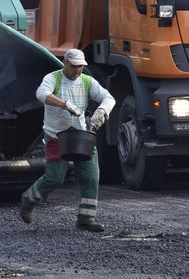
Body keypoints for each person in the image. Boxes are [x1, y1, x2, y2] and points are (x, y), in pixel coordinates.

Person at [19, 49, 116, 233]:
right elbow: (41, 94)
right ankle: (29, 199)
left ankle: (86, 218)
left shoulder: (87, 81)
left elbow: (108, 98)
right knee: (55, 178)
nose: (78, 70)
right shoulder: (53, 79)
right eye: (74, 66)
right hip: (56, 135)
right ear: (65, 63)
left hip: (80, 135)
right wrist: (64, 104)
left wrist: (102, 111)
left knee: (91, 176)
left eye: (81, 66)